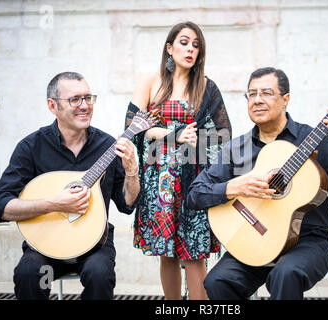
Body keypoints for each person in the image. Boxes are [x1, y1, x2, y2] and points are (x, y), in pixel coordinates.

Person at [187, 67, 328, 300]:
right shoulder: (236, 149)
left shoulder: (313, 140)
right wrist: (236, 187)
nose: (257, 100)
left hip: (308, 243)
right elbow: (194, 195)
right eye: (252, 94)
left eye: (267, 93)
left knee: (284, 274)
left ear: (285, 99)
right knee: (217, 281)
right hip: (253, 241)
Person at [0, 72, 140, 300]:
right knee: (30, 274)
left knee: (99, 275)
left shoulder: (108, 146)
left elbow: (127, 204)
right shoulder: (32, 147)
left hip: (94, 246)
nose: (85, 106)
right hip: (47, 251)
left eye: (89, 98)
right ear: (52, 106)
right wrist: (53, 204)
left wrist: (131, 171)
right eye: (75, 99)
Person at [124, 21, 231, 300]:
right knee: (167, 253)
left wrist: (199, 140)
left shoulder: (207, 87)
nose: (190, 49)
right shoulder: (151, 82)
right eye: (184, 42)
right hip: (158, 180)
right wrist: (174, 134)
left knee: (194, 252)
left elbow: (223, 135)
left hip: (196, 179)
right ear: (169, 48)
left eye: (196, 45)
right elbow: (132, 128)